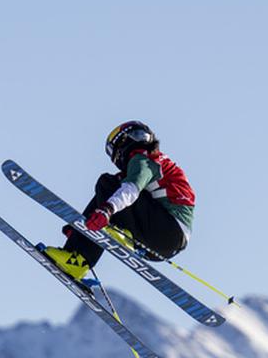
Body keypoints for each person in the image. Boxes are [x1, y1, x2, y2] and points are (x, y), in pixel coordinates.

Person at [43, 121, 195, 282]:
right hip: (162, 244)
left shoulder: (145, 158)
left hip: (167, 230)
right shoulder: (154, 161)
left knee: (108, 185)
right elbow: (108, 198)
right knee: (109, 193)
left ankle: (101, 249)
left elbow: (131, 190)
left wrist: (107, 210)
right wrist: (81, 229)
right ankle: (76, 262)